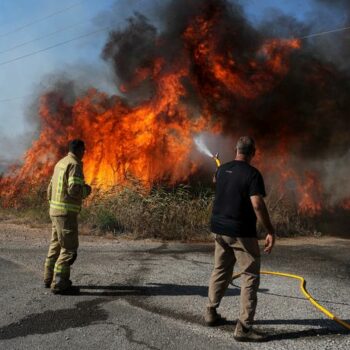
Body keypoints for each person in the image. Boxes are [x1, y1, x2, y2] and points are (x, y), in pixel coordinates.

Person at [205, 136, 275, 342]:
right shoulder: (252, 174)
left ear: (236, 149)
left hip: (218, 230)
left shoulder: (222, 169)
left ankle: (210, 312)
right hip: (240, 232)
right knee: (250, 274)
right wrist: (270, 230)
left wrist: (220, 167)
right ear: (253, 152)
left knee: (220, 270)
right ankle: (244, 327)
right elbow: (257, 204)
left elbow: (216, 181)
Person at [44, 139, 91, 295]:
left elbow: (49, 188)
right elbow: (74, 189)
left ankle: (48, 278)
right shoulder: (75, 164)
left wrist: (53, 205)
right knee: (69, 249)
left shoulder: (60, 163)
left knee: (55, 246)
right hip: (66, 214)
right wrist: (86, 190)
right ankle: (60, 283)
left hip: (55, 211)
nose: (84, 153)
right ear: (78, 150)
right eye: (84, 150)